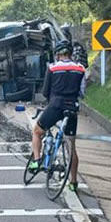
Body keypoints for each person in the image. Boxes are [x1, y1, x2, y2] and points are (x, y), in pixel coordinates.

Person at [28, 40, 86, 192]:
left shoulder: (52, 68)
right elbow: (82, 92)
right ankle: (73, 182)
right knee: (71, 147)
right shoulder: (80, 69)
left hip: (55, 106)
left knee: (37, 131)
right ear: (70, 53)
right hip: (72, 107)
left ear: (58, 54)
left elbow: (46, 91)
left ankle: (36, 160)